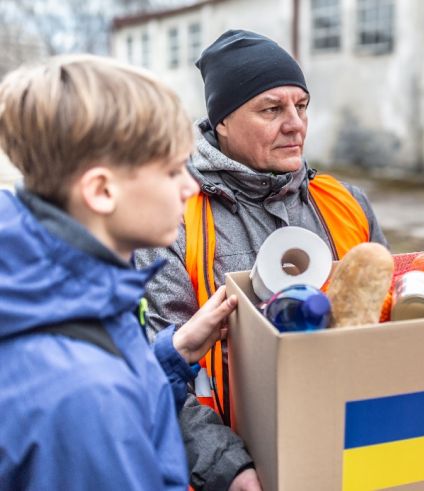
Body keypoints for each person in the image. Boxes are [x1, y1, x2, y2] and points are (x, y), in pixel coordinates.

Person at [135, 29, 387, 490]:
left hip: (351, 450)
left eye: (302, 105)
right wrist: (229, 468)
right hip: (237, 468)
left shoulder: (346, 203)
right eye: (271, 109)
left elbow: (390, 330)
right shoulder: (173, 218)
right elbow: (158, 367)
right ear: (223, 121)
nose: (296, 124)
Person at [0, 55, 237, 489]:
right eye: (171, 170)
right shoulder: (81, 396)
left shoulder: (63, 290)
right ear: (101, 190)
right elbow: (97, 405)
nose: (190, 186)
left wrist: (173, 355)